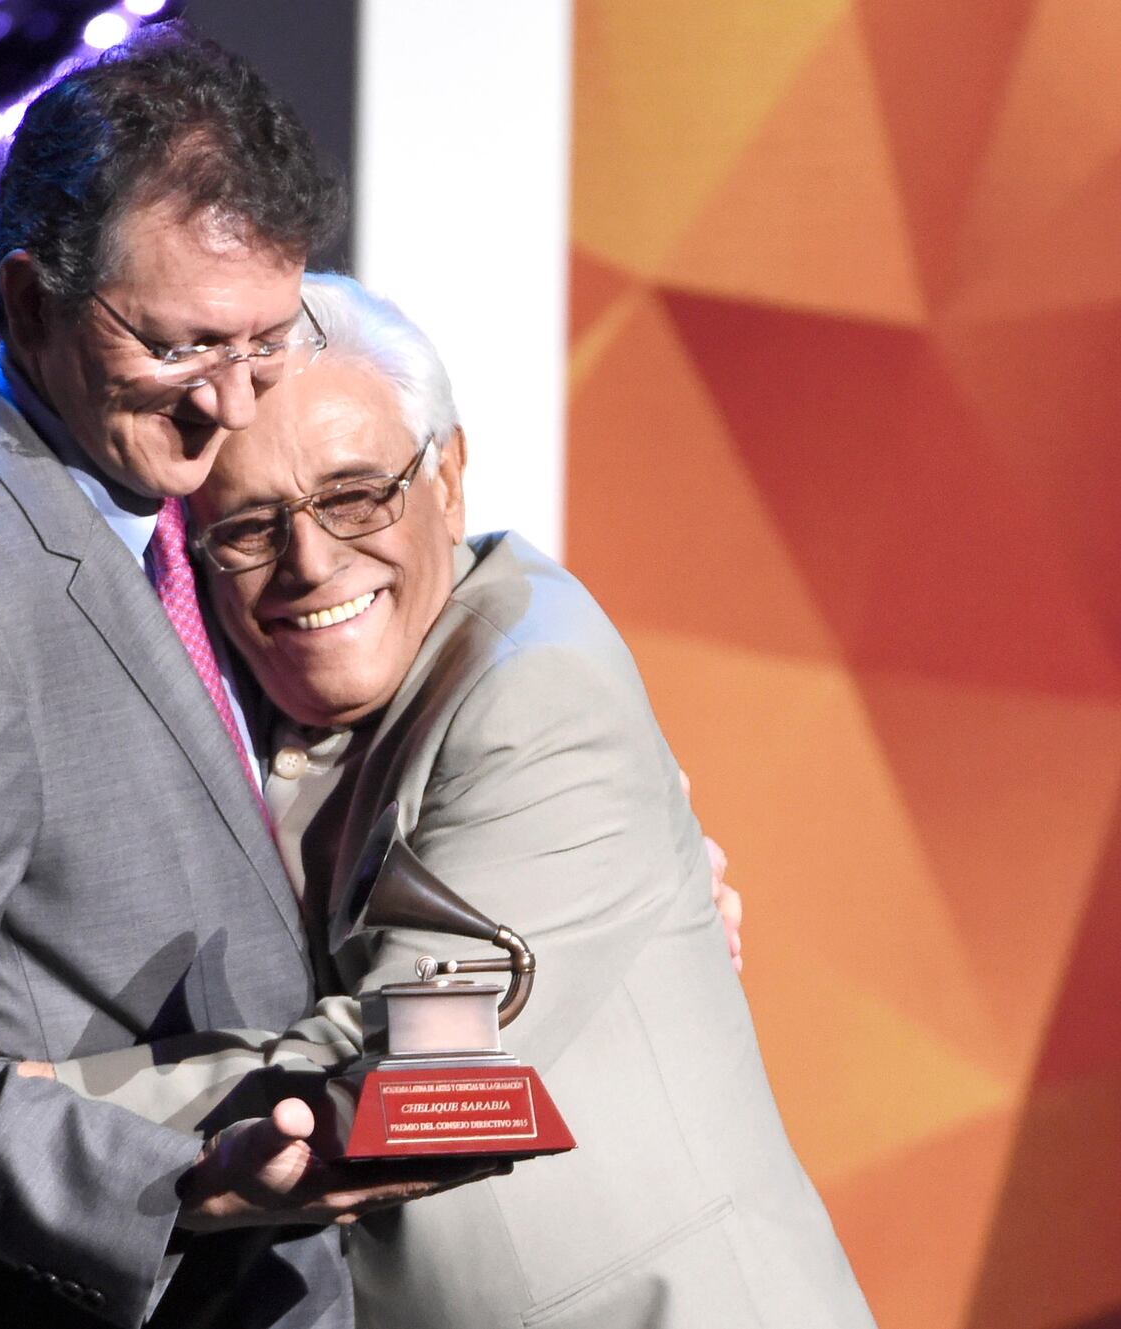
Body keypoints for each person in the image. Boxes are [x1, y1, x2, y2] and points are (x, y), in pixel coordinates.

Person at [0, 33, 487, 1329]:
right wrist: (175, 1184)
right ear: (31, 302)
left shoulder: (165, 512)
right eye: (187, 348)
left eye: (268, 339)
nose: (235, 404)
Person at [44, 273, 879, 1328]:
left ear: (448, 478)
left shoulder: (538, 685)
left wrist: (11, 1110)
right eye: (250, 526)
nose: (310, 561)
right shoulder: (232, 709)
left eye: (355, 496)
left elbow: (421, 1069)